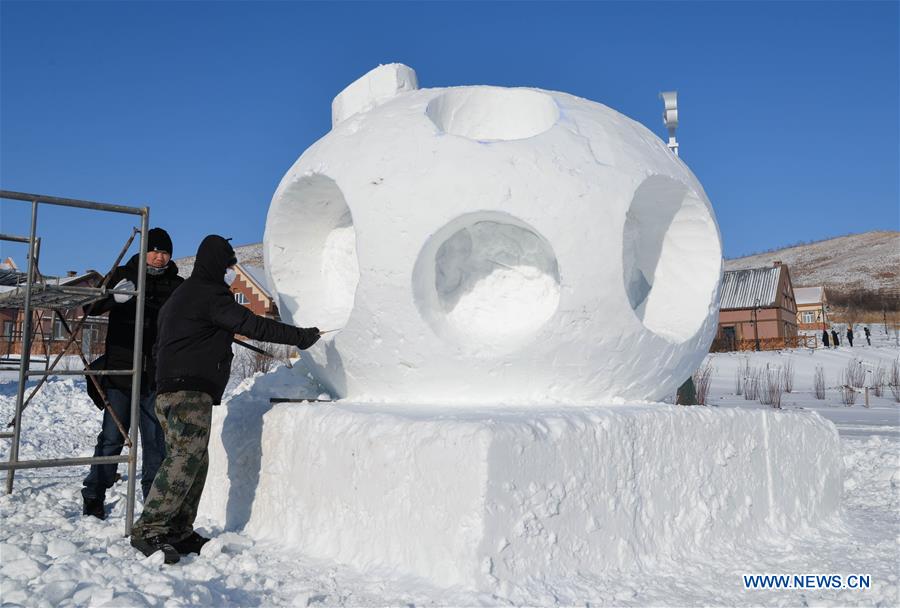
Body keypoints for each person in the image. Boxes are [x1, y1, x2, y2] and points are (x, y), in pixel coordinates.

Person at [130, 235, 320, 563]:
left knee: (193, 459)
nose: (231, 272)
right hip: (187, 391)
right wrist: (299, 337)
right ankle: (149, 529)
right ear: (216, 263)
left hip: (170, 390)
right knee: (184, 457)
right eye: (228, 265)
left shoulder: (183, 295)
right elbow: (252, 324)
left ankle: (178, 530)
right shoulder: (208, 294)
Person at [82, 228, 183, 520]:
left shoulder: (176, 285)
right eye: (154, 250)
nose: (159, 256)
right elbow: (91, 306)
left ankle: (153, 499)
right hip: (121, 372)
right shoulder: (124, 275)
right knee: (112, 438)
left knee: (155, 441)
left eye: (165, 252)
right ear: (144, 251)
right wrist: (115, 297)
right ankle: (94, 493)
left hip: (155, 375)